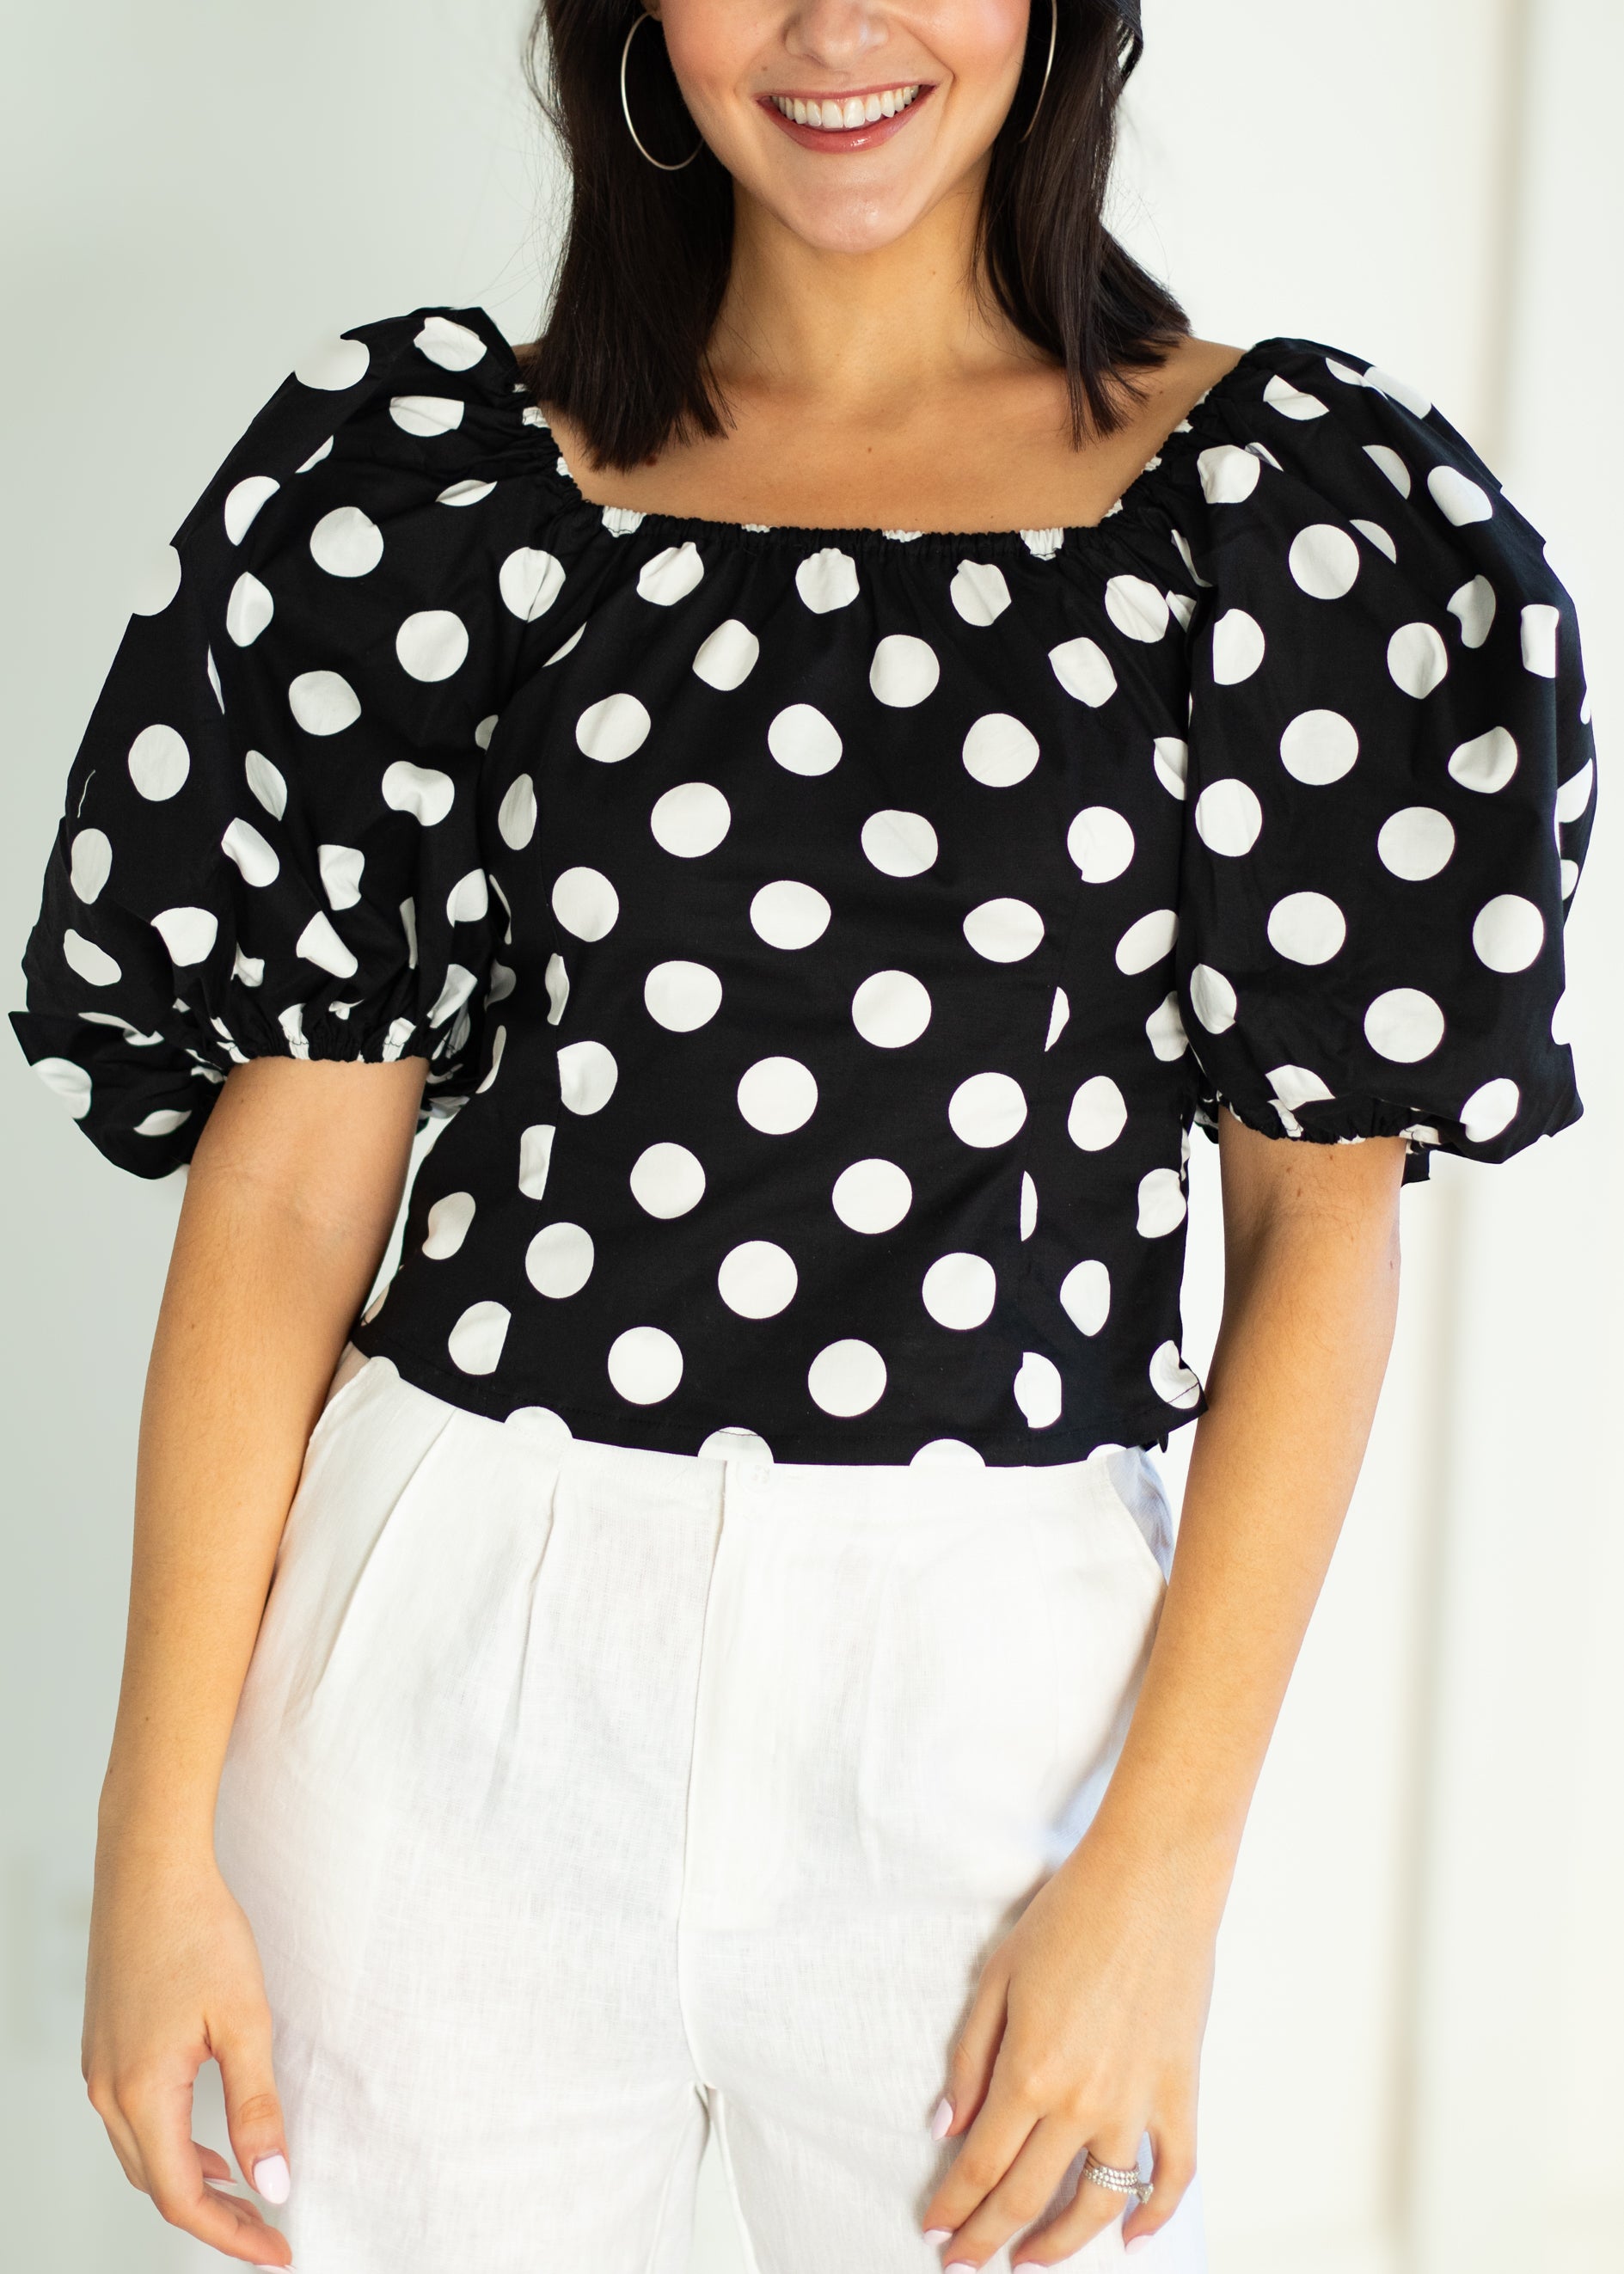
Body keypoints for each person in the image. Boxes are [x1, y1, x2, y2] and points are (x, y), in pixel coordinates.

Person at [8, 0, 1597, 2267]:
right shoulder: (433, 487)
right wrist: (154, 1835)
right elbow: (279, 1189)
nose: (837, 25)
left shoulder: (1289, 528)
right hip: (456, 1643)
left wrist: (1161, 1878)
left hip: (994, 1712)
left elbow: (1320, 1232)